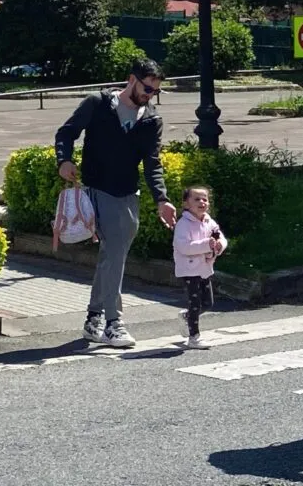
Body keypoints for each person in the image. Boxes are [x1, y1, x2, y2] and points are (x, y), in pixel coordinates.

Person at [55, 58, 177, 348]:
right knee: (114, 256)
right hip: (94, 190)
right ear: (131, 79)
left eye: (155, 91)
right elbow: (66, 132)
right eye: (147, 88)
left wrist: (162, 199)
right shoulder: (97, 103)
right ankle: (113, 322)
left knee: (113, 256)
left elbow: (153, 163)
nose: (149, 95)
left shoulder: (151, 120)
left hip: (125, 194)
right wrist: (64, 160)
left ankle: (96, 318)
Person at [173, 186, 228, 350]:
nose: (202, 202)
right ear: (186, 204)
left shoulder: (209, 222)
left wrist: (219, 246)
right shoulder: (183, 224)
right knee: (195, 302)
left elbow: (221, 238)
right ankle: (194, 336)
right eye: (196, 199)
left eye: (205, 199)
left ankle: (188, 316)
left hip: (204, 267)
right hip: (189, 270)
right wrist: (205, 245)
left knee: (208, 303)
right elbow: (183, 247)